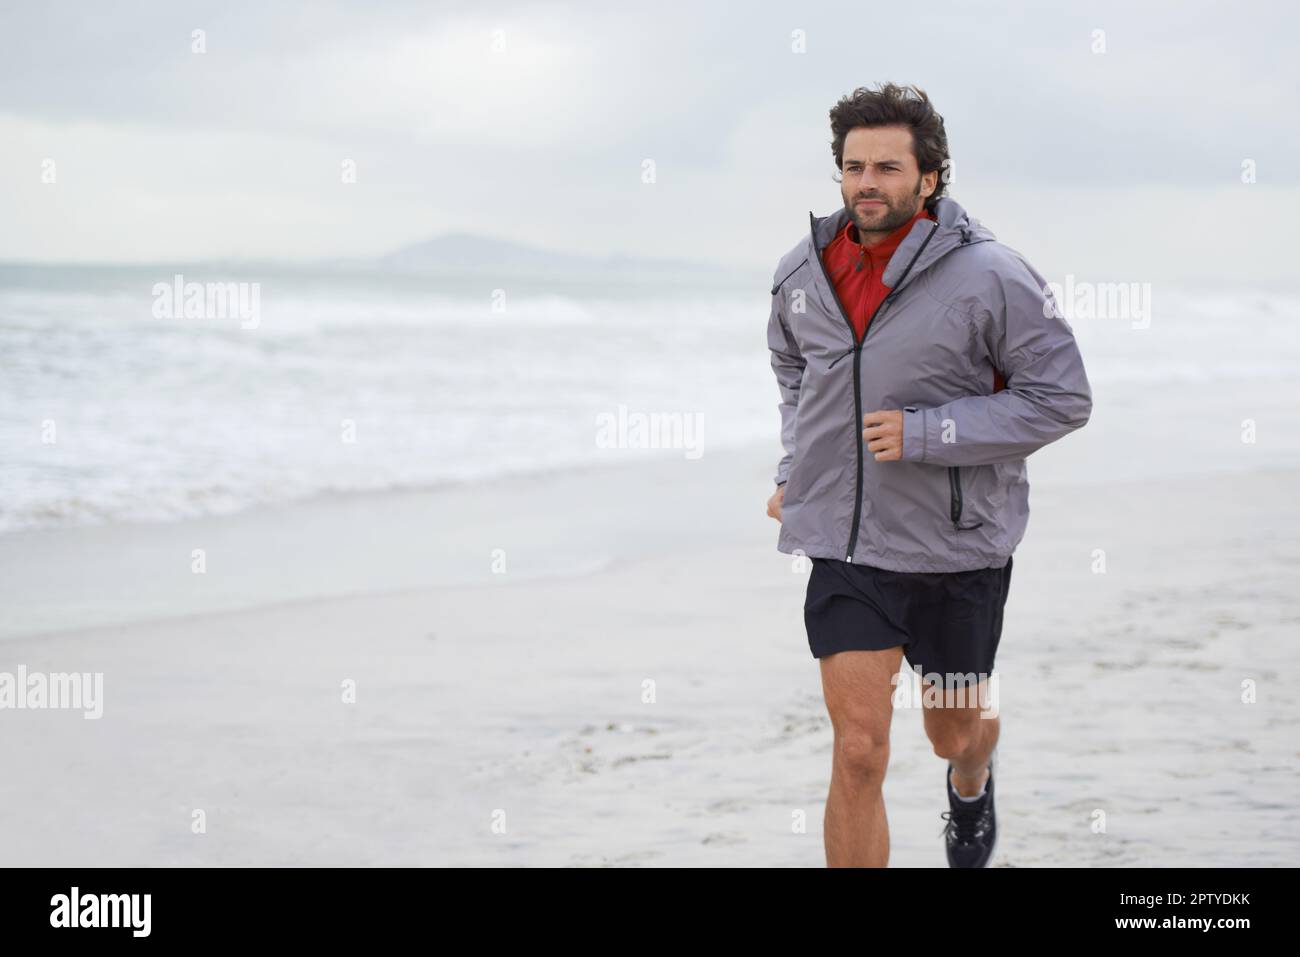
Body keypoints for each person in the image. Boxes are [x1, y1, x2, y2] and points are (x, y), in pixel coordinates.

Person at [764, 83, 1092, 868]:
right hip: (847, 551)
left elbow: (1062, 398)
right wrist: (797, 468)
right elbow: (794, 373)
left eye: (886, 166)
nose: (866, 182)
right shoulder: (802, 273)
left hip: (956, 552)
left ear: (931, 177)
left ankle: (973, 779)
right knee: (857, 751)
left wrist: (925, 432)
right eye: (852, 166)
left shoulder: (994, 275)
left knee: (952, 729)